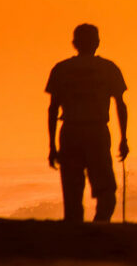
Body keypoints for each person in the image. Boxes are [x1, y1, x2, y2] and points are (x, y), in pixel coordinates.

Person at [45, 23, 129, 222]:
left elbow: (52, 109)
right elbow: (120, 105)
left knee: (72, 192)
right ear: (97, 43)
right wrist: (123, 138)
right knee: (106, 191)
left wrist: (51, 146)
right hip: (96, 132)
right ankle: (99, 229)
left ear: (74, 43)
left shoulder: (62, 69)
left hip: (70, 132)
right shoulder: (108, 68)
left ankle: (77, 238)